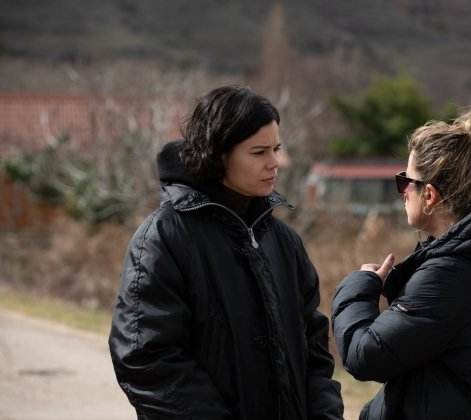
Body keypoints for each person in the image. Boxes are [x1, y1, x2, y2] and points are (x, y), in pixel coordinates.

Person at [109, 86, 343, 420]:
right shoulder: (164, 238)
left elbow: (315, 351)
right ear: (218, 155)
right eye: (259, 152)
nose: (275, 163)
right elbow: (146, 358)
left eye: (276, 149)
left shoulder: (284, 241)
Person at [331, 100, 471, 419]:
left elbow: (365, 355)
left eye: (406, 181)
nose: (403, 191)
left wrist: (359, 287)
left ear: (430, 195)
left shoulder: (450, 276)